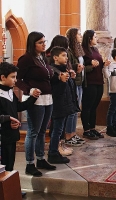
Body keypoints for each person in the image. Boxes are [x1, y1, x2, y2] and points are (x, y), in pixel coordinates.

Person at [16, 31, 56, 177]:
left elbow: (48, 76)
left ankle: (40, 159)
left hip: (48, 99)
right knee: (33, 132)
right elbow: (17, 80)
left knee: (42, 131)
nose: (44, 44)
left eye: (45, 41)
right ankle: (29, 163)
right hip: (35, 100)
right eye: (41, 42)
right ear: (33, 44)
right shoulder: (26, 59)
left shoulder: (43, 58)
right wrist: (29, 89)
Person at [0, 62, 40, 172]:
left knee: (10, 165)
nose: (15, 80)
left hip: (11, 135)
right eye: (12, 77)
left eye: (16, 77)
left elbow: (19, 107)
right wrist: (8, 119)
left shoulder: (10, 92)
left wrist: (33, 98)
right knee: (3, 167)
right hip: (2, 136)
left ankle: (8, 188)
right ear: (3, 77)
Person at [48, 46, 80, 164]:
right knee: (57, 130)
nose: (66, 58)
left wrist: (70, 78)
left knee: (60, 129)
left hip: (65, 104)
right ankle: (52, 153)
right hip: (58, 105)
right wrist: (62, 80)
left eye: (66, 55)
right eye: (63, 55)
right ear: (55, 57)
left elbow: (69, 89)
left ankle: (56, 151)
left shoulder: (63, 70)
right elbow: (57, 91)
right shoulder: (53, 71)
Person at [81, 30, 110, 140]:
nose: (96, 38)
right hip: (90, 81)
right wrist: (91, 65)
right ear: (89, 38)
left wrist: (104, 64)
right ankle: (86, 130)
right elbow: (82, 66)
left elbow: (98, 63)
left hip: (98, 80)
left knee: (94, 107)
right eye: (95, 36)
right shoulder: (83, 50)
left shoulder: (95, 49)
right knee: (87, 107)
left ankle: (92, 128)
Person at [65, 28, 86, 147]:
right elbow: (68, 65)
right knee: (72, 110)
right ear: (73, 36)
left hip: (80, 81)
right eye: (78, 34)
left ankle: (73, 133)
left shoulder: (78, 48)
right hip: (74, 82)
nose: (80, 35)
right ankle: (69, 135)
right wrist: (76, 66)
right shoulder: (69, 50)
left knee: (76, 110)